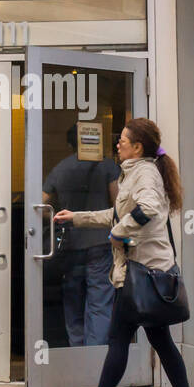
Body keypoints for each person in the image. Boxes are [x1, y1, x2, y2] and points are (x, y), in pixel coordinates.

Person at [52, 118, 194, 387]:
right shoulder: (135, 172)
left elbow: (146, 208)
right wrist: (77, 218)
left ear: (138, 147)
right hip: (145, 273)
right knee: (160, 342)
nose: (117, 143)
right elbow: (118, 214)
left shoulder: (144, 173)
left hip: (140, 274)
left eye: (123, 139)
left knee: (119, 339)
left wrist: (118, 233)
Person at [41, 123, 120, 346]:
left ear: (69, 144)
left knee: (73, 300)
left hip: (71, 243)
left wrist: (54, 217)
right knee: (100, 301)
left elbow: (41, 204)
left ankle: (76, 349)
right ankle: (94, 357)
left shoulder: (61, 168)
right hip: (100, 243)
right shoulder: (108, 166)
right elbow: (118, 206)